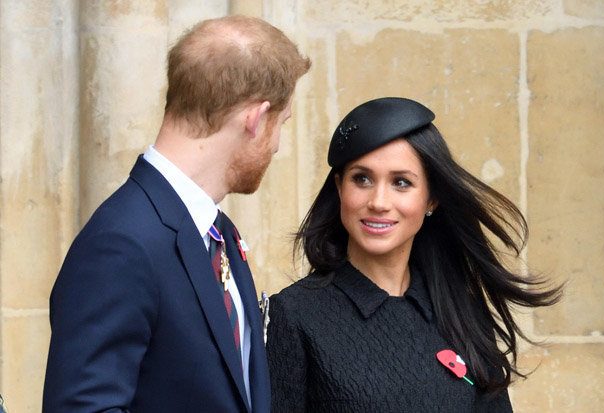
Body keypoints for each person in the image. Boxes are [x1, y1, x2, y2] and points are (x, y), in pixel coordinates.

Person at [43, 15, 310, 412]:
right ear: (256, 118)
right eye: (281, 123)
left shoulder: (218, 232)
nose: (277, 146)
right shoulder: (120, 243)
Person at [266, 97, 561, 412]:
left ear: (431, 199)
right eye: (362, 179)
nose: (379, 201)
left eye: (401, 183)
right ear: (340, 187)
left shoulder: (461, 310)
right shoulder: (295, 314)